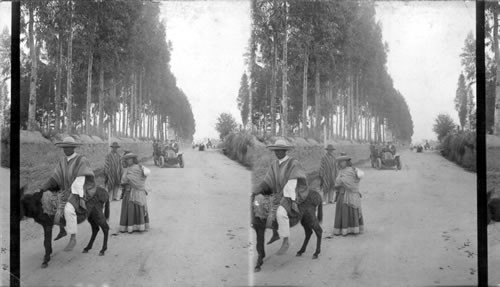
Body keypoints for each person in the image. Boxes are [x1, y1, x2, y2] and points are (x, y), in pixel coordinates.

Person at [39, 136, 96, 251]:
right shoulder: (62, 161)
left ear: (74, 148)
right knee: (51, 205)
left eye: (69, 147)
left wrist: (74, 194)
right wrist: (44, 187)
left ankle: (73, 238)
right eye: (64, 147)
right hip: (65, 190)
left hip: (78, 190)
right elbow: (56, 177)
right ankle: (62, 229)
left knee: (68, 209)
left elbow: (80, 180)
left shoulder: (81, 160)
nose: (66, 149)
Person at [252, 139, 308, 255]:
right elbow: (268, 180)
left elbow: (292, 184)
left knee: (280, 213)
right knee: (262, 208)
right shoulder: (274, 165)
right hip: (277, 193)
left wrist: (290, 200)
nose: (277, 153)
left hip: (290, 194)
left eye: (280, 150)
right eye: (276, 150)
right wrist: (256, 191)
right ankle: (275, 233)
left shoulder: (293, 163)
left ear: (285, 151)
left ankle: (286, 241)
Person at [330, 154, 364, 236]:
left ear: (347, 162)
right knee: (343, 211)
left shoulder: (351, 170)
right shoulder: (341, 171)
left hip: (350, 194)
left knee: (349, 210)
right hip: (342, 193)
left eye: (343, 162)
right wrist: (339, 181)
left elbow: (351, 182)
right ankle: (344, 229)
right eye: (340, 162)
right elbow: (337, 182)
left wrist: (341, 180)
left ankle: (353, 229)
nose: (341, 163)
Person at [119, 153, 151, 233]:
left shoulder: (139, 167)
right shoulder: (127, 169)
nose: (128, 160)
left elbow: (146, 174)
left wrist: (128, 179)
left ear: (134, 159)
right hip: (129, 191)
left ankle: (140, 226)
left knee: (137, 207)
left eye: (130, 159)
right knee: (129, 208)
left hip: (137, 191)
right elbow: (123, 180)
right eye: (127, 159)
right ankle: (130, 227)